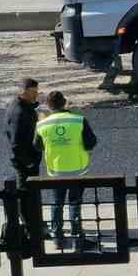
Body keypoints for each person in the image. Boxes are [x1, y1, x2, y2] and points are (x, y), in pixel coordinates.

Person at [33, 91, 100, 251]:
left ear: (49, 106)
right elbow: (91, 142)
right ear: (65, 102)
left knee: (56, 204)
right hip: (78, 170)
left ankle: (58, 238)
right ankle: (78, 239)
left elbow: (37, 146)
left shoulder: (42, 124)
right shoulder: (79, 120)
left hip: (56, 171)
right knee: (74, 204)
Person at [2, 78, 42, 248]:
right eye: (34, 92)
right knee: (25, 196)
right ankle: (29, 229)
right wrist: (29, 163)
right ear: (24, 92)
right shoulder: (19, 113)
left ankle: (32, 225)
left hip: (24, 159)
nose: (37, 95)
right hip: (24, 162)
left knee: (26, 195)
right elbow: (16, 144)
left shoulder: (18, 106)